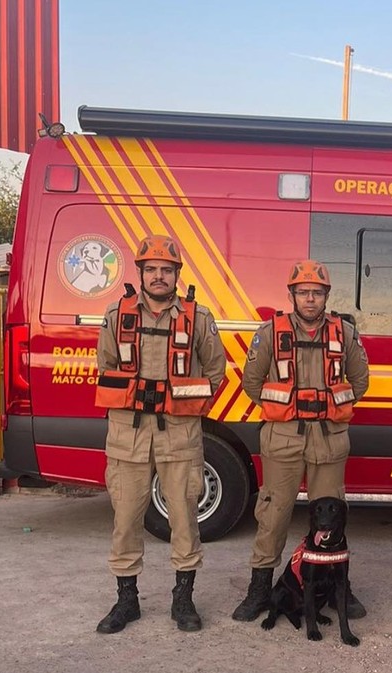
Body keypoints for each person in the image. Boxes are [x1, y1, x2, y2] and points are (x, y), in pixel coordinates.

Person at [94, 234, 226, 634]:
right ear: (140, 273)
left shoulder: (197, 318)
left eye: (166, 270)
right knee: (126, 519)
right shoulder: (117, 315)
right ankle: (126, 601)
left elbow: (215, 372)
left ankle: (183, 599)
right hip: (128, 435)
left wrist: (184, 405)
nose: (158, 276)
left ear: (176, 275)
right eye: (151, 269)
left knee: (184, 518)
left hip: (179, 435)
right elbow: (106, 365)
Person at [232, 260, 370, 623]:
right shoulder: (270, 332)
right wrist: (284, 408)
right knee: (273, 515)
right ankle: (260, 588)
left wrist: (331, 406)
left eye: (317, 292)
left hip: (329, 439)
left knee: (333, 519)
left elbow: (360, 381)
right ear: (292, 295)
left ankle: (340, 587)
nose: (310, 299)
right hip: (283, 438)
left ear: (326, 295)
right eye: (303, 292)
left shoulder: (346, 334)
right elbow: (251, 382)